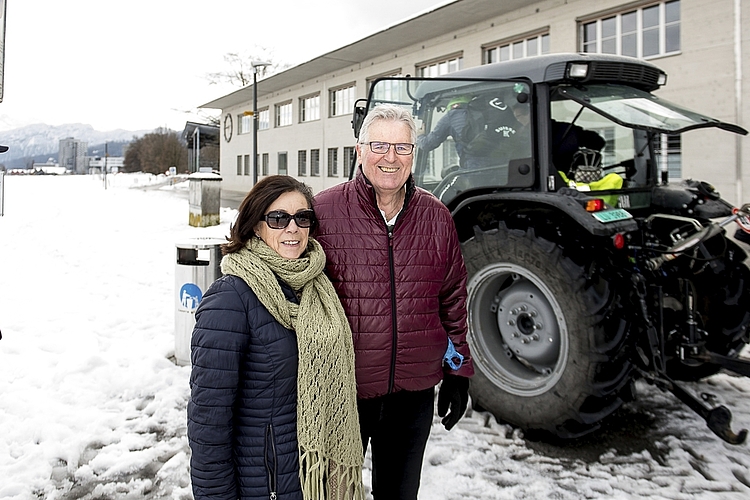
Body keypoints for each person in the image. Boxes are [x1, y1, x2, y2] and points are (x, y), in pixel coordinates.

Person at [314, 104, 474, 500]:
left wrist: (458, 371)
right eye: (380, 145)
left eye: (402, 147)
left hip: (413, 394)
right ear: (358, 150)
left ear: (414, 154)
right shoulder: (323, 212)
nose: (390, 157)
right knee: (332, 494)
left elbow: (453, 298)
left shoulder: (437, 217)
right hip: (342, 391)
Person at [187, 175, 364, 500]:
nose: (292, 228)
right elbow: (208, 424)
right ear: (255, 225)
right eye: (278, 218)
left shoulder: (317, 288)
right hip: (264, 486)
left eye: (302, 217)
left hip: (316, 480)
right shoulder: (230, 298)